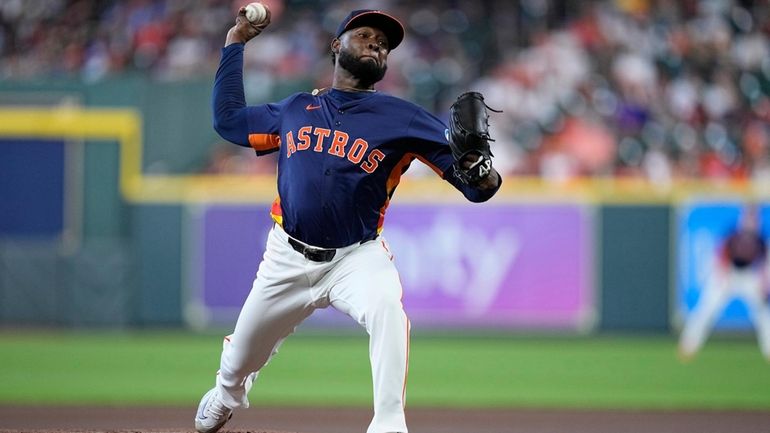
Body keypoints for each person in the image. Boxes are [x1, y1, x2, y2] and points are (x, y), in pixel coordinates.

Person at [194, 6, 502, 433]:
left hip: (356, 258)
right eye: (366, 35)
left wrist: (483, 172)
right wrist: (235, 43)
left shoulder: (404, 118)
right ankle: (227, 393)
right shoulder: (296, 108)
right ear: (337, 45)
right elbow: (227, 122)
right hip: (286, 255)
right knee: (239, 359)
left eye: (384, 43)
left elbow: (475, 185)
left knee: (386, 310)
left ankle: (389, 423)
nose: (377, 43)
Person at [678, 203, 770, 362]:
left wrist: (764, 285)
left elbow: (764, 265)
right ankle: (688, 345)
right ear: (743, 219)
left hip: (749, 276)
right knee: (707, 308)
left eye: (754, 219)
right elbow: (720, 255)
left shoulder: (760, 239)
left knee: (763, 314)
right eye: (748, 218)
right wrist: (722, 275)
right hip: (728, 273)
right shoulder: (733, 234)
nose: (751, 222)